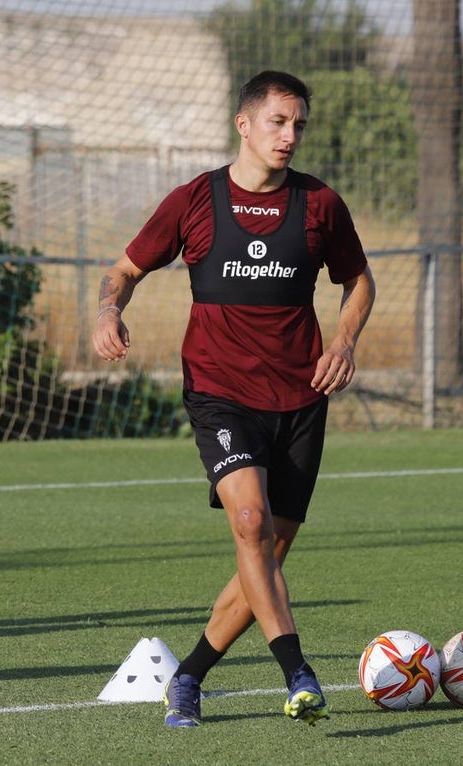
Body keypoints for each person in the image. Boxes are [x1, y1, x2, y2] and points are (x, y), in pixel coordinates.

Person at [91, 70, 375, 728]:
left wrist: (346, 341)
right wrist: (108, 310)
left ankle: (187, 677)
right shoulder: (195, 200)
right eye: (278, 122)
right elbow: (126, 268)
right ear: (244, 125)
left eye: (299, 124)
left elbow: (358, 279)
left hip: (302, 397)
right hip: (221, 392)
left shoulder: (320, 205)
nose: (290, 136)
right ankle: (297, 671)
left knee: (267, 557)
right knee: (248, 523)